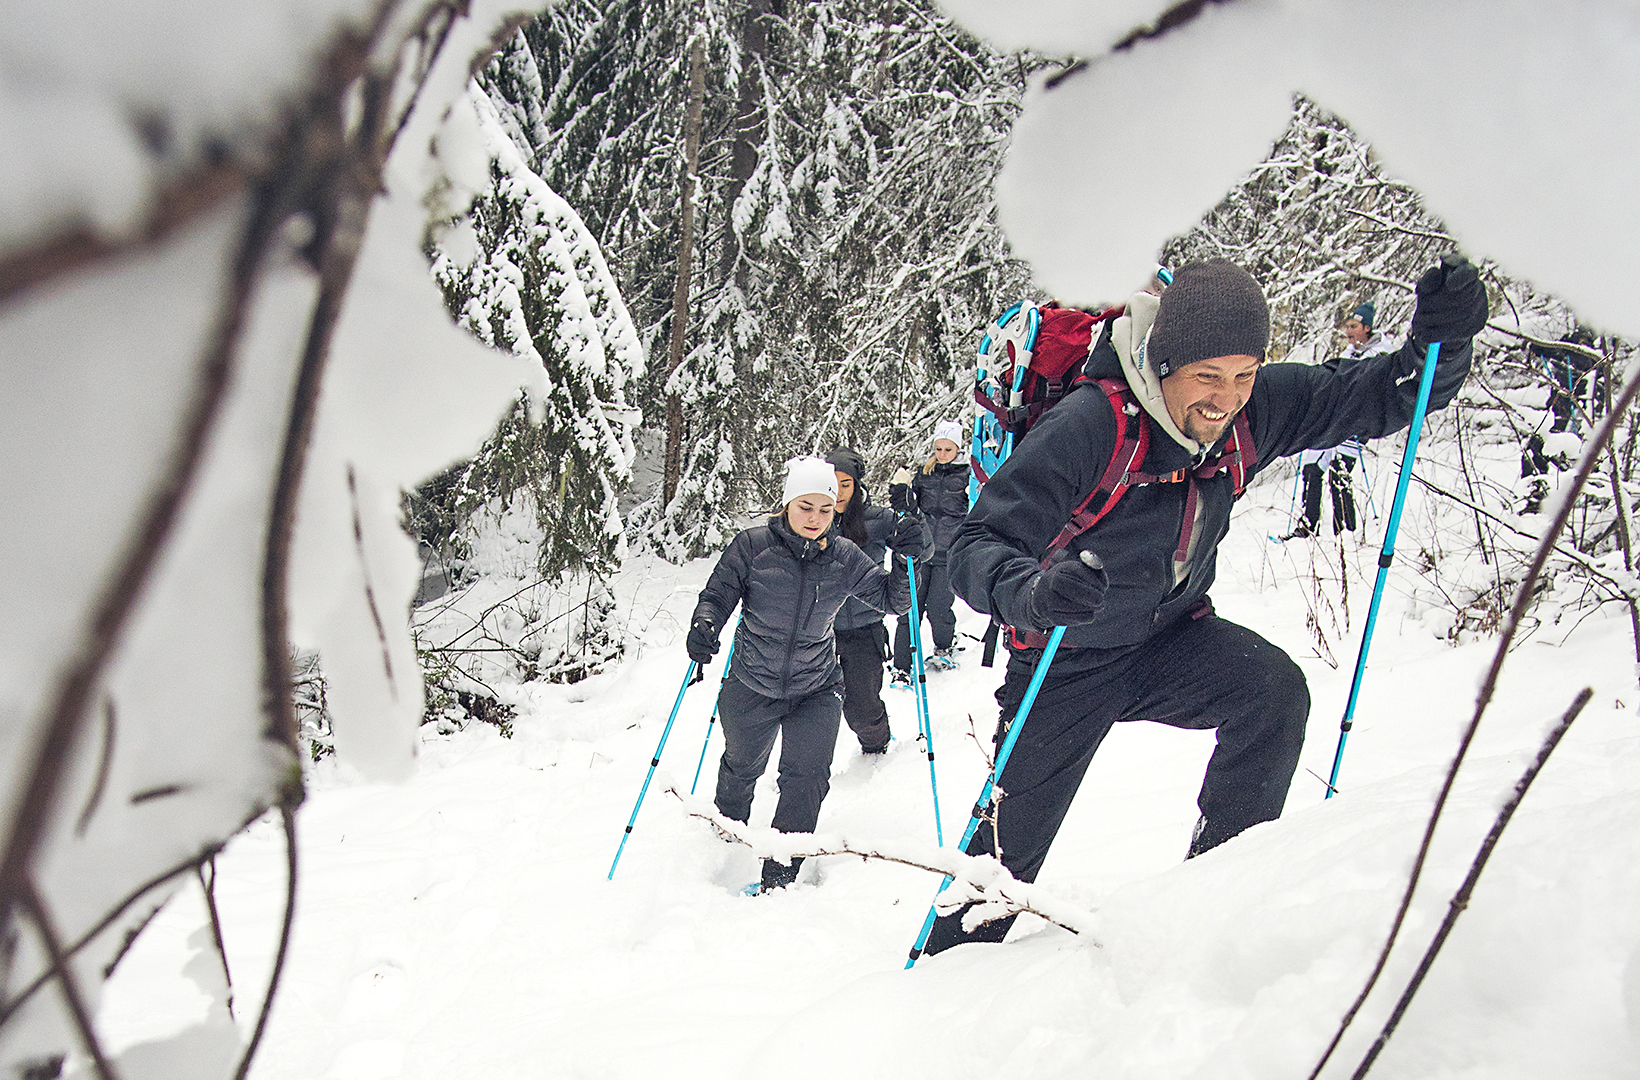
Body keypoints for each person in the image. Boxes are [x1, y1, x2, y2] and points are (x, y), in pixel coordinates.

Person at [929, 256, 1486, 954]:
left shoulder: (1251, 413)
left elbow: (1380, 394)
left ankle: (1214, 900)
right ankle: (941, 981)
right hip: (1064, 658)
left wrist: (1442, 342)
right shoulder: (1090, 425)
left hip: (1170, 638)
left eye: (1244, 374)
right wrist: (1033, 592)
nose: (1226, 398)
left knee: (1271, 692)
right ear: (1163, 364)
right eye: (1208, 377)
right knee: (1001, 861)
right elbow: (977, 545)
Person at [687, 456, 919, 891]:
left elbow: (893, 601)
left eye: (825, 510)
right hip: (751, 680)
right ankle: (725, 839)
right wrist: (704, 624)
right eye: (805, 507)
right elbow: (717, 595)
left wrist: (909, 558)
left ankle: (780, 878)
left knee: (807, 778)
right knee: (741, 765)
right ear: (787, 504)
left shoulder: (844, 556)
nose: (815, 518)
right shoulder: (753, 547)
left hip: (816, 686)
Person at [827, 447, 929, 753]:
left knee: (862, 711)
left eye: (846, 484)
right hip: (819, 629)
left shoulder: (876, 519)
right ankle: (801, 770)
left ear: (857, 486)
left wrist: (913, 519)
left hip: (864, 627)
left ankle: (877, 746)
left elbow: (925, 549)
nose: (839, 493)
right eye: (832, 483)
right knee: (809, 709)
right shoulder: (811, 518)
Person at [1290, 301, 1397, 538]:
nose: (1348, 330)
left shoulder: (1381, 353)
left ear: (1367, 327)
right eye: (1347, 325)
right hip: (1334, 419)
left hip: (1358, 422)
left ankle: (1345, 530)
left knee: (1339, 473)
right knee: (1311, 467)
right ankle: (1307, 525)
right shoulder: (1348, 353)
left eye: (1354, 325)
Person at [889, 420, 970, 685]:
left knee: (938, 607)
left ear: (957, 449)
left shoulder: (966, 475)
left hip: (949, 552)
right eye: (939, 448)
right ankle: (901, 667)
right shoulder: (924, 474)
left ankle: (944, 646)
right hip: (922, 552)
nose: (943, 453)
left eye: (948, 449)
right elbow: (911, 507)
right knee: (910, 610)